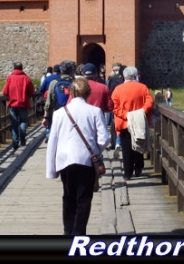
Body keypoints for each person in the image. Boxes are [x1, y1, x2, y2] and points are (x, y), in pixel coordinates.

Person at [45, 78, 110, 235]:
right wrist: (95, 150)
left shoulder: (60, 113)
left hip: (65, 160)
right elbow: (105, 138)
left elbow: (52, 141)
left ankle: (68, 232)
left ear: (71, 92)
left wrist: (51, 169)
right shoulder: (95, 111)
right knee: (84, 199)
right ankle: (79, 234)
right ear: (88, 93)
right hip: (86, 160)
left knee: (68, 197)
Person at [111, 66, 154, 180]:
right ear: (135, 76)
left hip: (124, 123)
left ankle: (127, 173)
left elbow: (114, 106)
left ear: (124, 76)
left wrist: (126, 115)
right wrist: (141, 112)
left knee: (126, 148)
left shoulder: (118, 89)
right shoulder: (143, 87)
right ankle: (138, 167)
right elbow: (150, 101)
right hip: (139, 122)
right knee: (139, 144)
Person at [2, 61, 35, 150]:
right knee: (23, 121)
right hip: (23, 103)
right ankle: (23, 136)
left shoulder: (10, 78)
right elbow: (31, 91)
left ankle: (15, 142)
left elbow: (4, 92)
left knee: (14, 122)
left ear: (14, 68)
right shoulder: (26, 78)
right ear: (22, 68)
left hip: (12, 103)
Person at [43, 60, 76, 143]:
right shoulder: (77, 83)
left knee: (58, 138)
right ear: (72, 71)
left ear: (61, 71)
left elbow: (48, 102)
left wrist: (45, 117)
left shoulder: (54, 83)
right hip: (74, 116)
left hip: (57, 114)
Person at [106, 63, 125, 153]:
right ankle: (118, 142)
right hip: (124, 104)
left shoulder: (112, 79)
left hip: (115, 103)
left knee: (115, 124)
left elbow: (109, 92)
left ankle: (115, 142)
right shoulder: (123, 79)